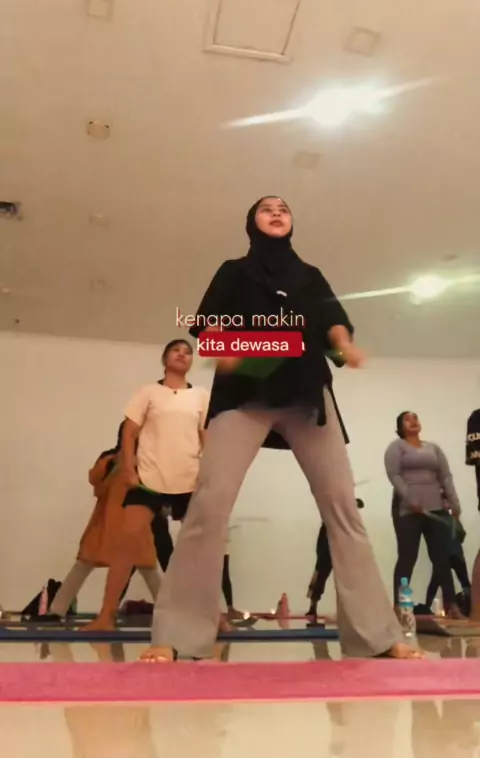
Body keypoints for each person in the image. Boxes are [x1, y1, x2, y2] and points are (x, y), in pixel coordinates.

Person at [141, 196, 420, 662]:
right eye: (266, 208)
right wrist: (226, 348)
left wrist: (345, 347)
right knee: (208, 505)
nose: (276, 212)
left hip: (307, 393)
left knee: (343, 509)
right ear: (251, 222)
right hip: (244, 392)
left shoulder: (309, 275)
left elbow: (333, 324)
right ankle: (176, 636)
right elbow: (207, 326)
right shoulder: (234, 271)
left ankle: (376, 637)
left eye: (284, 209)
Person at [83, 339, 209, 631]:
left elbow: (207, 436)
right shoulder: (148, 392)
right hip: (149, 478)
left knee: (202, 550)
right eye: (176, 350)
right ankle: (106, 616)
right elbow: (129, 433)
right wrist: (129, 469)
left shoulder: (201, 396)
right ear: (164, 359)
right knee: (126, 546)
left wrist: (210, 473)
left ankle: (215, 616)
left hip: (189, 479)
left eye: (188, 352)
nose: (182, 354)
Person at [47, 423, 162, 620]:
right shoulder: (110, 458)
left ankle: (169, 613)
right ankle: (57, 611)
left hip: (134, 522)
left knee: (148, 567)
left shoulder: (149, 460)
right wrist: (117, 462)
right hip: (106, 521)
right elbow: (96, 480)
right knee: (84, 563)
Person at [385, 411, 462, 619]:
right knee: (407, 556)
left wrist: (454, 503)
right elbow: (394, 475)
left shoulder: (433, 448)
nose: (413, 421)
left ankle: (452, 606)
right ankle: (399, 606)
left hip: (435, 509)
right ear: (400, 426)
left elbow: (445, 476)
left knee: (441, 557)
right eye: (408, 419)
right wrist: (410, 499)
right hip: (407, 510)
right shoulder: (396, 447)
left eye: (416, 417)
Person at [306, 498, 365, 622]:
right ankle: (313, 607)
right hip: (328, 538)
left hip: (339, 538)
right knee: (321, 572)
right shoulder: (331, 502)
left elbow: (359, 504)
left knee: (342, 576)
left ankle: (345, 609)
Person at [425, 493, 470, 614]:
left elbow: (461, 535)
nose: (446, 505)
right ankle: (427, 607)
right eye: (444, 502)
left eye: (448, 502)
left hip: (456, 554)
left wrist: (457, 520)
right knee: (435, 582)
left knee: (464, 581)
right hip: (444, 555)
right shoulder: (437, 519)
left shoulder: (453, 519)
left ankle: (471, 605)